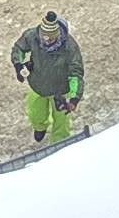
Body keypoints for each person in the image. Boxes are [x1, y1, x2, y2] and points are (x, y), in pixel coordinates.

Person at [10, 11, 84, 145]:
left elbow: (76, 74)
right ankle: (40, 127)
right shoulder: (32, 36)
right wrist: (19, 65)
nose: (45, 40)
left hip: (61, 92)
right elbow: (19, 48)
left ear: (57, 35)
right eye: (43, 37)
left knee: (62, 124)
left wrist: (74, 98)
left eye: (49, 38)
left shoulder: (70, 48)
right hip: (37, 85)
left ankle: (59, 146)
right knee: (35, 114)